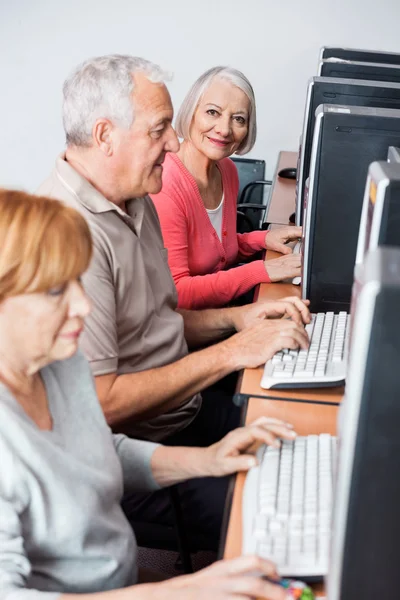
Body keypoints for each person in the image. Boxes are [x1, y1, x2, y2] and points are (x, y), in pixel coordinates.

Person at [37, 54, 309, 551]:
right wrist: (231, 351)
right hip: (132, 457)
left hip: (184, 410)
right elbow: (103, 401)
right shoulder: (69, 236)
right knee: (284, 516)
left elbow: (161, 319)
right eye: (160, 128)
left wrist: (239, 318)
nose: (174, 141)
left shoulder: (135, 196)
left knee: (303, 443)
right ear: (105, 136)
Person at [0, 189, 294, 600]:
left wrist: (208, 459)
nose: (83, 306)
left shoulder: (60, 365)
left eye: (78, 283)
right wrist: (182, 591)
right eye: (55, 292)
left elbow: (102, 450)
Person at [151, 66, 302, 310]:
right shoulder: (165, 183)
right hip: (186, 332)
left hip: (220, 310)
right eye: (213, 112)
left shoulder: (226, 170)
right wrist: (260, 270)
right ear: (191, 112)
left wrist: (263, 239)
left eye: (238, 119)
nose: (224, 129)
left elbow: (216, 252)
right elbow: (177, 293)